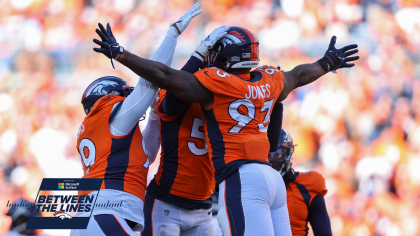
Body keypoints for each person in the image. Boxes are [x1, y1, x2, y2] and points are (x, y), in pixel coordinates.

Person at [93, 22, 359, 236]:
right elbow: (298, 75)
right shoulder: (270, 79)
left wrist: (122, 54)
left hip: (240, 180)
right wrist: (326, 63)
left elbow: (166, 77)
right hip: (266, 180)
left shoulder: (213, 85)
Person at [70, 3, 202, 236]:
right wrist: (172, 35)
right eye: (124, 94)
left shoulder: (106, 133)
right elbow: (149, 83)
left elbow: (147, 154)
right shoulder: (107, 114)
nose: (130, 100)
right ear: (108, 96)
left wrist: (154, 112)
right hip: (105, 213)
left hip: (100, 215)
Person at [142, 26, 229, 236]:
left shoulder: (227, 95)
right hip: (167, 202)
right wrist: (199, 54)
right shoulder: (175, 95)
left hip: (204, 207)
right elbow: (172, 101)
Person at [268, 125, 333, 236]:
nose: (271, 158)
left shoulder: (307, 185)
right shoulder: (246, 186)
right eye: (267, 153)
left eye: (277, 154)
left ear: (288, 153)